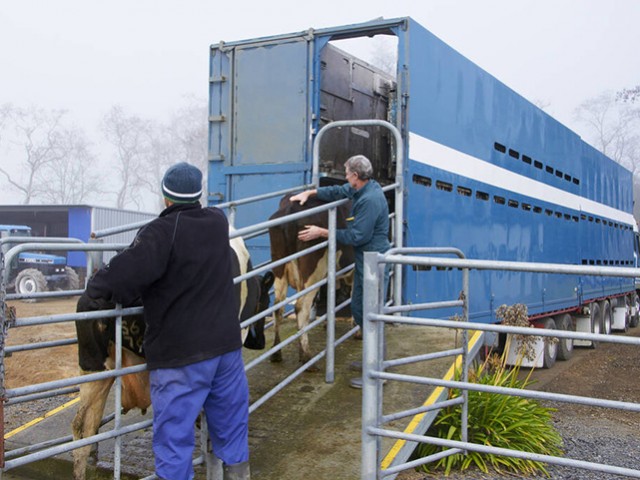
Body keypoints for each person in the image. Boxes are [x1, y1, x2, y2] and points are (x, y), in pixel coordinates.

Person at [86, 162, 250, 480]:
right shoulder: (217, 222)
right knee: (231, 427)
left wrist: (96, 284)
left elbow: (123, 277)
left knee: (174, 439)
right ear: (199, 195)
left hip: (181, 356)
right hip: (226, 351)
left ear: (166, 198)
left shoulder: (160, 233)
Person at [290, 154, 390, 389]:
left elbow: (357, 236)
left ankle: (378, 372)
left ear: (356, 176)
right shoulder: (362, 188)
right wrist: (310, 193)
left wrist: (322, 232)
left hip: (373, 262)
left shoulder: (370, 200)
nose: (346, 178)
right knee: (359, 308)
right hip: (365, 260)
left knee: (372, 313)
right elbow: (338, 191)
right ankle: (372, 360)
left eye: (347, 174)